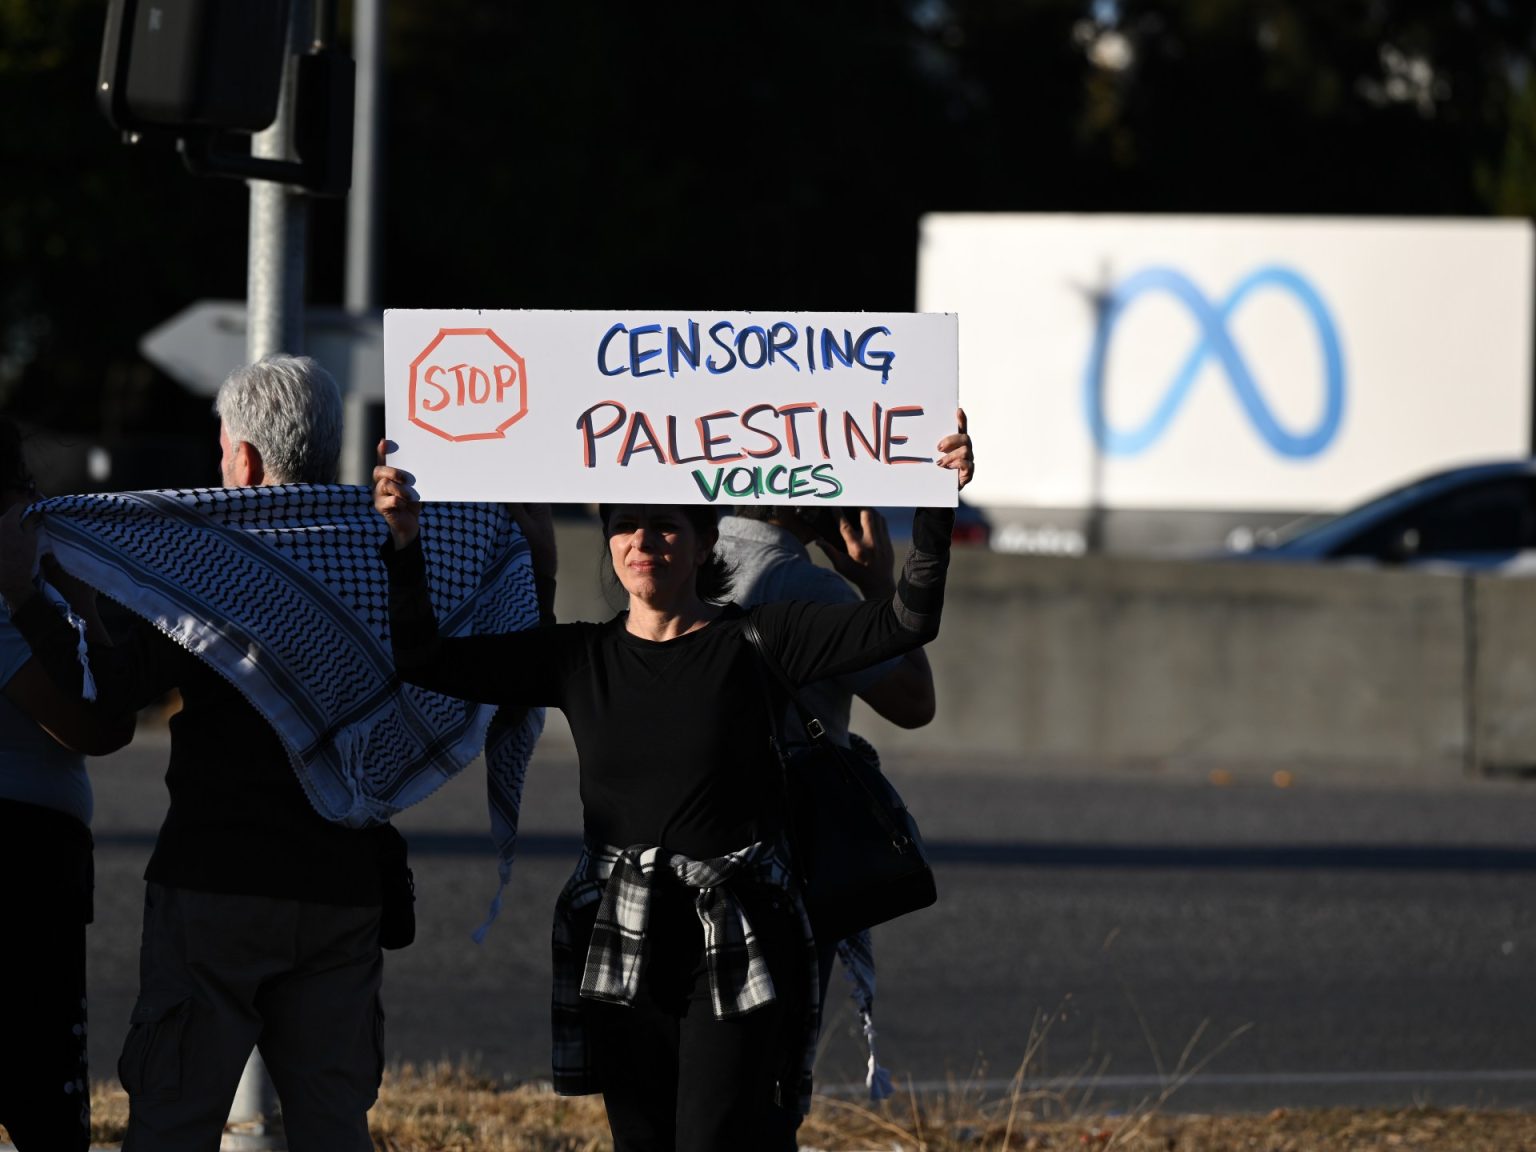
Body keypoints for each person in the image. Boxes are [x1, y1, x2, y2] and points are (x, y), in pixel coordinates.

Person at [372, 410, 974, 1151]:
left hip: (740, 935)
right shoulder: (580, 658)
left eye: (664, 526)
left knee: (716, 1140)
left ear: (705, 541)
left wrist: (937, 505)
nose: (642, 542)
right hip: (621, 938)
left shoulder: (761, 639)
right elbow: (424, 659)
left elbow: (908, 623)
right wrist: (404, 541)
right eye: (625, 525)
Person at [0, 356, 405, 1152]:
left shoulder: (213, 563)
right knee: (333, 1124)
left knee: (175, 1119)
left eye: (222, 447)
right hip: (348, 882)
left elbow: (109, 701)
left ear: (244, 459)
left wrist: (38, 597)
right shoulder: (385, 558)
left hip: (220, 879)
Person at [714, 503, 936, 1146]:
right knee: (770, 1070)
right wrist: (878, 587)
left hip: (682, 834)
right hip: (791, 855)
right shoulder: (813, 589)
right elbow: (913, 701)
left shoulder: (677, 560)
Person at [0, 417, 135, 1152]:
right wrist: (55, 600)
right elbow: (97, 726)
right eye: (24, 488)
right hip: (22, 879)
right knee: (47, 1117)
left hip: (34, 874)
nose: (37, 503)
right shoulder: (7, 601)